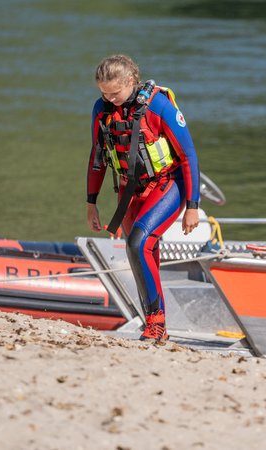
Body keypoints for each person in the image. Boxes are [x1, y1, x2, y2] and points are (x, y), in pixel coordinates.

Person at [86, 55, 200, 343]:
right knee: (139, 251)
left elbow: (188, 156)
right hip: (130, 191)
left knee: (139, 243)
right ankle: (153, 323)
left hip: (168, 184)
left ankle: (156, 324)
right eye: (103, 93)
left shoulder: (158, 105)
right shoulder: (101, 111)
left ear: (131, 82)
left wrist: (193, 206)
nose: (109, 99)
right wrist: (91, 203)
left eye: (115, 93)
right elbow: (96, 158)